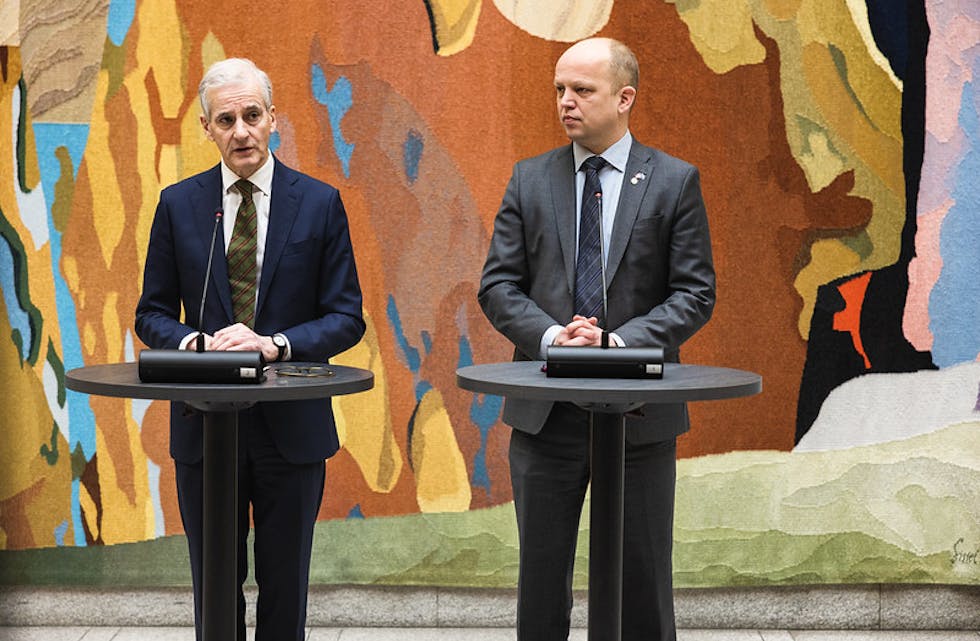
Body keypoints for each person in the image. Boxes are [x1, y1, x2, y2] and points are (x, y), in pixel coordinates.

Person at [478, 38, 716, 640]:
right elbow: (498, 286)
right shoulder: (530, 179)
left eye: (582, 90)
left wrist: (616, 343)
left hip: (640, 417)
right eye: (560, 89)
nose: (566, 101)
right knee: (540, 588)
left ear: (624, 98)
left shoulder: (673, 181)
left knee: (643, 588)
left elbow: (694, 294)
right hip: (546, 416)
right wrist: (555, 337)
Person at [135, 58, 365, 641]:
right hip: (205, 424)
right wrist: (196, 344)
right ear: (207, 129)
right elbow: (151, 314)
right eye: (226, 120)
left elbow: (346, 318)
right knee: (215, 582)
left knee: (285, 585)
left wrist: (275, 345)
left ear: (273, 119)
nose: (241, 131)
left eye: (252, 116)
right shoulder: (178, 204)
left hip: (291, 426)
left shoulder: (319, 203)